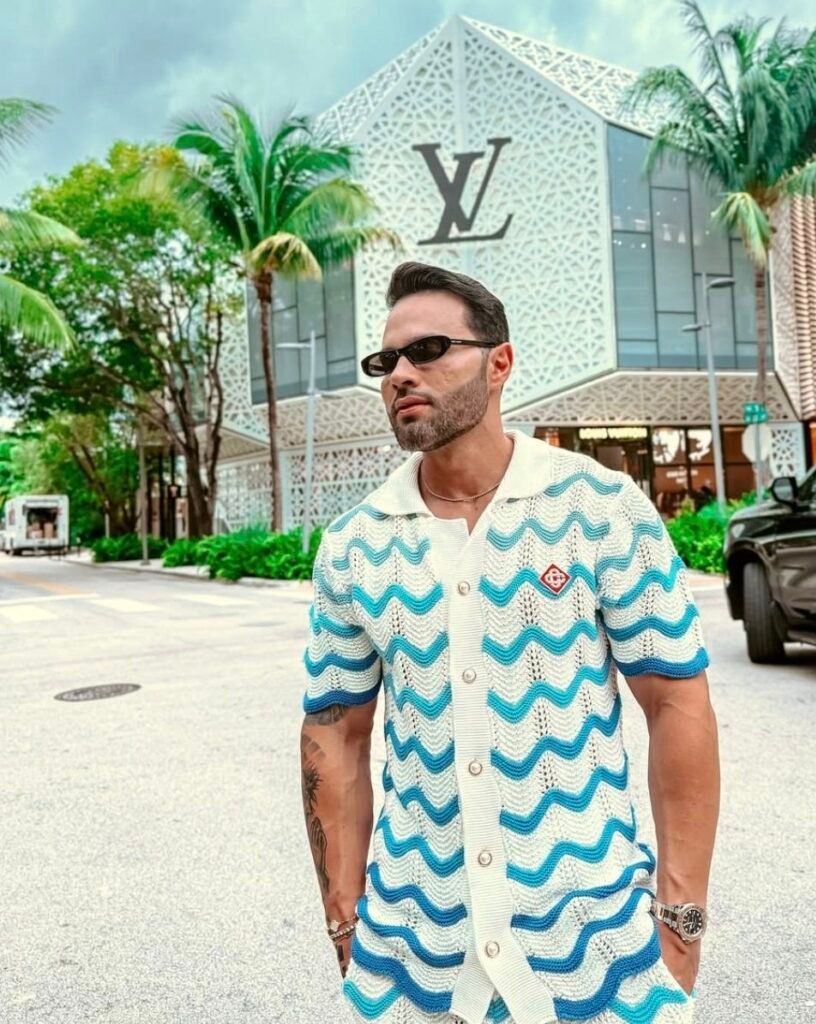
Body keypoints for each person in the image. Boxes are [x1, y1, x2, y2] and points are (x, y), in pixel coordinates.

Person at [300, 261, 721, 1024]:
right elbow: (335, 733)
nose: (400, 374)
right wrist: (343, 914)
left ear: (499, 363)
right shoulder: (355, 545)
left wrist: (681, 918)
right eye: (385, 360)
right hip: (412, 955)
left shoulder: (600, 508)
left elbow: (676, 704)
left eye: (429, 350)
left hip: (599, 952)